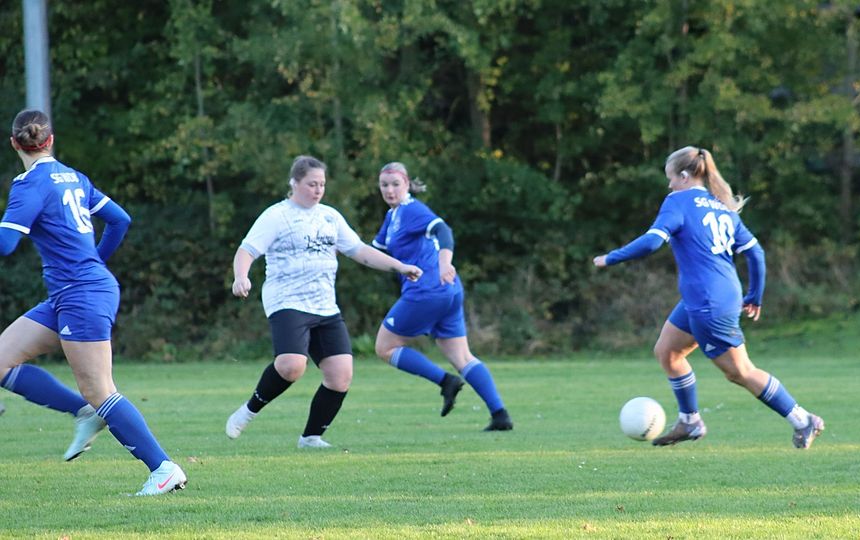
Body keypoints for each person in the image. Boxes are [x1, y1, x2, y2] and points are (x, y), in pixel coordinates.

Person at [0, 109, 187, 495]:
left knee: (100, 389)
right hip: (72, 292)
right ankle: (82, 412)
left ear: (14, 143)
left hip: (81, 294)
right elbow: (120, 220)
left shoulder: (29, 185)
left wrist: (88, 270)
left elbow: (5, 244)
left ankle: (163, 468)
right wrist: (95, 262)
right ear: (50, 140)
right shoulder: (74, 177)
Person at [593, 146, 823, 449]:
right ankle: (689, 421)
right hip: (713, 295)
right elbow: (755, 252)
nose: (669, 185)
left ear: (684, 176)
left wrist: (611, 257)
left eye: (671, 178)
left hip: (708, 302)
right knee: (668, 352)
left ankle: (803, 419)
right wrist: (755, 294)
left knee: (740, 372)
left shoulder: (678, 201)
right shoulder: (721, 206)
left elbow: (651, 242)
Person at [226, 156, 422, 448]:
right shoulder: (276, 216)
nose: (318, 190)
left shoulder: (330, 216)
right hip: (287, 300)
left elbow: (360, 251)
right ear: (294, 183)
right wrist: (241, 277)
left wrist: (400, 266)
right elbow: (247, 250)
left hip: (325, 306)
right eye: (311, 184)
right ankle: (247, 411)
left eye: (322, 184)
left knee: (340, 375)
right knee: (292, 366)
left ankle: (310, 438)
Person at [371, 162, 512, 431]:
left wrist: (445, 262)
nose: (389, 190)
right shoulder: (393, 217)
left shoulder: (412, 209)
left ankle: (445, 382)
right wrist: (338, 246)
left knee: (385, 347)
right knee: (462, 357)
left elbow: (443, 230)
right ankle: (500, 415)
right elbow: (373, 251)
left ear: (407, 184)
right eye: (384, 185)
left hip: (426, 290)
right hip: (448, 291)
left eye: (395, 184)